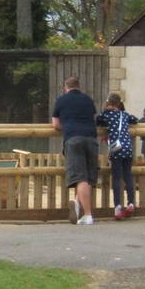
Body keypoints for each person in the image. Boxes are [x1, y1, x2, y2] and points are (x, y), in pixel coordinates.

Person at [51, 75, 99, 225]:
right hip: (91, 138)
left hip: (73, 139)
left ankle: (88, 215)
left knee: (80, 178)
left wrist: (69, 127)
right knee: (89, 178)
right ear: (79, 86)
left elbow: (56, 124)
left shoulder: (61, 100)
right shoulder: (88, 100)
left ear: (66, 87)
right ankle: (78, 205)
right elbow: (93, 117)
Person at [97, 92, 138, 220]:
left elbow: (98, 120)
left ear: (109, 104)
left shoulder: (107, 115)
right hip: (128, 148)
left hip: (117, 149)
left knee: (116, 178)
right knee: (128, 176)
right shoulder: (124, 114)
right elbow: (135, 120)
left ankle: (118, 206)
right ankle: (131, 202)